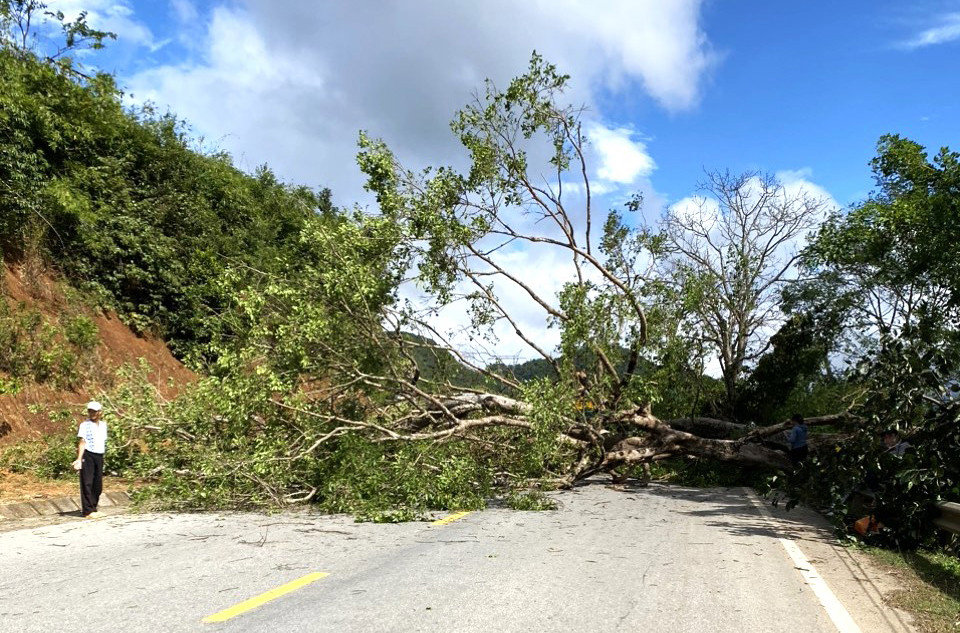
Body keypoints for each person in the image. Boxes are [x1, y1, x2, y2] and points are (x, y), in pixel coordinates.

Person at [72, 400, 107, 518]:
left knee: (98, 484)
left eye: (94, 411)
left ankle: (94, 507)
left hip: (99, 455)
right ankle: (87, 510)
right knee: (87, 482)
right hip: (88, 454)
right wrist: (79, 459)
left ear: (99, 412)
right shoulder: (85, 425)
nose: (92, 413)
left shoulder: (103, 425)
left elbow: (102, 441)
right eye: (90, 411)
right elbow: (82, 442)